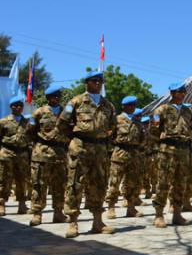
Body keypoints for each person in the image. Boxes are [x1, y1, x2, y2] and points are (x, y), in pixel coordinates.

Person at [58, 71, 117, 238]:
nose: (97, 83)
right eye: (94, 80)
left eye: (100, 81)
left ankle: (98, 222)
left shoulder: (108, 105)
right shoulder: (76, 102)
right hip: (80, 147)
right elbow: (62, 123)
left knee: (99, 185)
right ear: (87, 82)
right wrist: (74, 137)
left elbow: (113, 126)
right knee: (75, 184)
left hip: (99, 150)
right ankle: (72, 222)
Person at [149, 82, 192, 228]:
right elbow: (153, 132)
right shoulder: (161, 110)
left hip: (183, 151)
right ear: (172, 93)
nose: (182, 94)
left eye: (184, 91)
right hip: (167, 150)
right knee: (163, 183)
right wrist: (160, 147)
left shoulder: (187, 111)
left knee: (181, 183)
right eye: (179, 91)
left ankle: (177, 214)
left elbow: (191, 129)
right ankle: (159, 215)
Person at [27, 86, 69, 226]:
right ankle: (37, 214)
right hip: (42, 153)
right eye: (53, 96)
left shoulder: (66, 113)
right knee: (39, 184)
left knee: (60, 185)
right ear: (48, 98)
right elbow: (30, 132)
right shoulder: (39, 112)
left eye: (58, 96)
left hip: (60, 154)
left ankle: (58, 213)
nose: (56, 98)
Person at [105, 96, 146, 219]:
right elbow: (108, 138)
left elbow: (143, 140)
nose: (132, 107)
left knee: (132, 183)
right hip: (119, 154)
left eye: (134, 105)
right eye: (130, 105)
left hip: (134, 155)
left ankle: (131, 208)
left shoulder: (138, 123)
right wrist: (113, 149)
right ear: (124, 106)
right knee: (114, 182)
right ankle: (111, 207)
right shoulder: (116, 120)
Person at [0, 95, 31, 217]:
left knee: (22, 180)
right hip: (7, 153)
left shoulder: (27, 122)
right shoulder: (3, 122)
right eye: (15, 106)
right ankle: (1, 204)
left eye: (20, 106)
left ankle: (22, 205)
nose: (18, 108)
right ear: (11, 107)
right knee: (4, 180)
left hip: (22, 154)